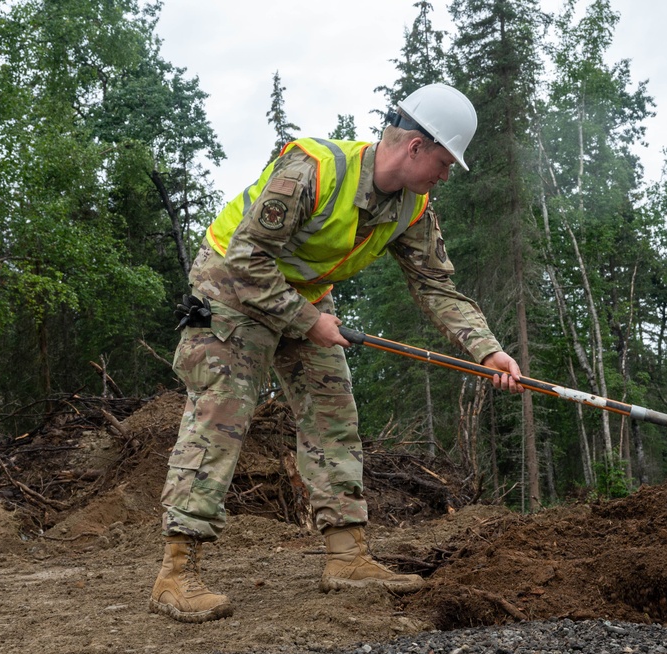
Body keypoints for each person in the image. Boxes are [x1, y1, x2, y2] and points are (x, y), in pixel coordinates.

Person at [149, 83, 523, 624]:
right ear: (414, 147)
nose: (444, 176)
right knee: (224, 411)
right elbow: (247, 259)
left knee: (333, 413)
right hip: (231, 286)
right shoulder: (313, 169)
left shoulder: (413, 207)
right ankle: (176, 573)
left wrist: (489, 352)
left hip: (303, 299)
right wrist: (308, 322)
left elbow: (437, 287)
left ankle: (347, 559)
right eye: (443, 163)